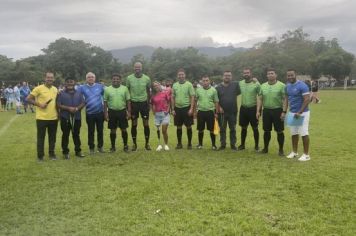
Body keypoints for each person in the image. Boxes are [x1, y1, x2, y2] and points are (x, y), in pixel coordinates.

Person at [26, 72, 58, 161]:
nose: (50, 79)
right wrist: (39, 104)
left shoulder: (55, 89)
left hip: (53, 118)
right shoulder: (38, 88)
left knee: (52, 138)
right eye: (48, 77)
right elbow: (28, 98)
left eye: (51, 77)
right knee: (41, 138)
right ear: (44, 78)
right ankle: (40, 156)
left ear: (54, 79)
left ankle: (52, 154)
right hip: (41, 118)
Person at [284, 69, 311, 161]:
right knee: (294, 133)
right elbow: (286, 99)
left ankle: (306, 155)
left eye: (292, 75)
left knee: (304, 133)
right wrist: (284, 111)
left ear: (296, 75)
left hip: (303, 113)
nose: (290, 77)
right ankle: (294, 152)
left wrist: (299, 112)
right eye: (288, 75)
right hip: (292, 112)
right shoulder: (287, 86)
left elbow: (307, 99)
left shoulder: (302, 85)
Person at [257, 68, 286, 156]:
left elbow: (285, 100)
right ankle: (265, 148)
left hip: (278, 110)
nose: (270, 75)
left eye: (272, 73)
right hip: (266, 110)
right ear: (267, 75)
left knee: (279, 131)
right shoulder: (263, 85)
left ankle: (281, 150)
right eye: (268, 73)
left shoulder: (282, 85)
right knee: (266, 130)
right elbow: (260, 99)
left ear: (275, 75)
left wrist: (284, 111)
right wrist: (258, 111)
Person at [57, 77, 86, 159]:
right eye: (68, 82)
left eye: (71, 82)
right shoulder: (61, 93)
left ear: (75, 83)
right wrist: (68, 108)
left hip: (77, 117)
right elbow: (58, 104)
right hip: (65, 117)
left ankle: (78, 151)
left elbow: (83, 102)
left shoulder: (79, 93)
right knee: (65, 135)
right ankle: (65, 152)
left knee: (76, 134)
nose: (70, 83)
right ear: (65, 84)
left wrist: (77, 108)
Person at [126, 62, 151, 151]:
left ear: (141, 68)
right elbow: (127, 91)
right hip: (133, 103)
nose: (137, 69)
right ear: (133, 68)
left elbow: (148, 91)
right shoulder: (129, 78)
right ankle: (134, 144)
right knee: (134, 124)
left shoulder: (147, 78)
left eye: (139, 67)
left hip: (144, 104)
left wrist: (149, 103)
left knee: (146, 124)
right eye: (136, 67)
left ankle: (147, 144)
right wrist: (127, 105)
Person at [103, 74, 131, 153]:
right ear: (111, 80)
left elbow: (128, 101)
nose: (116, 80)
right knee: (112, 130)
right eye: (114, 79)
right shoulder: (107, 89)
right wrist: (105, 113)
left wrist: (129, 112)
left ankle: (125, 146)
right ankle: (113, 147)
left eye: (117, 79)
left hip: (122, 111)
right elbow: (105, 102)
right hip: (112, 111)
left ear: (120, 80)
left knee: (124, 129)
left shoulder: (125, 88)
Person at [79, 72, 105, 155]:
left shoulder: (100, 87)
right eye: (89, 77)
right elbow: (72, 91)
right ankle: (91, 148)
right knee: (91, 131)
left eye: (92, 77)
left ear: (95, 78)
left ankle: (100, 147)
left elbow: (107, 95)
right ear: (86, 79)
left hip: (100, 113)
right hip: (89, 113)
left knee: (100, 130)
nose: (91, 78)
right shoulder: (82, 87)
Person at [216, 70, 241, 150]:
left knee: (232, 129)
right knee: (222, 129)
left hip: (233, 111)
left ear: (231, 77)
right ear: (223, 76)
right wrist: (219, 107)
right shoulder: (218, 87)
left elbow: (238, 93)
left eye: (229, 75)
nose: (227, 77)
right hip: (222, 113)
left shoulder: (235, 85)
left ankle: (233, 145)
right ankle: (223, 144)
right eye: (226, 75)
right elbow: (216, 100)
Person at [238, 68, 261, 151]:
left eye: (247, 73)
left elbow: (260, 96)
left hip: (253, 108)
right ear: (243, 74)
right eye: (244, 73)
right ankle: (242, 145)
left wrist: (258, 111)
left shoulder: (256, 84)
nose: (246, 74)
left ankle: (256, 146)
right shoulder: (240, 83)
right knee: (243, 128)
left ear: (251, 73)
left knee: (255, 128)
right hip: (243, 108)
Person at [171, 68, 195, 149]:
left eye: (182, 74)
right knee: (178, 126)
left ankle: (189, 144)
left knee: (188, 126)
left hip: (186, 108)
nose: (181, 76)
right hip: (177, 108)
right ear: (177, 76)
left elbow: (192, 97)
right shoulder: (174, 85)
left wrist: (191, 109)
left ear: (185, 75)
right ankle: (179, 144)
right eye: (179, 75)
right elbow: (173, 98)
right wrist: (173, 109)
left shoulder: (189, 84)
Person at [195, 76, 219, 150]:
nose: (205, 82)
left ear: (209, 81)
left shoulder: (213, 90)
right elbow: (195, 100)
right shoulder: (198, 90)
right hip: (201, 112)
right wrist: (195, 110)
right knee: (200, 129)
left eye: (206, 80)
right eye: (204, 81)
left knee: (212, 129)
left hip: (210, 112)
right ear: (201, 82)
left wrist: (216, 112)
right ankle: (200, 144)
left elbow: (216, 101)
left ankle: (214, 145)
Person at [151, 81, 171, 151]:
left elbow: (169, 102)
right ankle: (159, 145)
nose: (156, 87)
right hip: (157, 114)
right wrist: (153, 111)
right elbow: (152, 104)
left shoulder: (165, 93)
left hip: (165, 114)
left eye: (157, 85)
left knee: (164, 130)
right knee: (158, 130)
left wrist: (168, 110)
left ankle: (166, 144)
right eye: (154, 86)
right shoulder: (153, 95)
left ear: (159, 85)